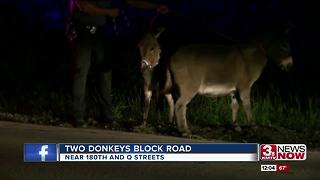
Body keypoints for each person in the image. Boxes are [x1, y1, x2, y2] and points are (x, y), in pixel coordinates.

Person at [67, 0, 169, 128]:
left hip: (100, 34)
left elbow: (132, 1)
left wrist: (156, 6)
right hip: (81, 33)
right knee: (81, 73)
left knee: (105, 73)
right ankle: (78, 117)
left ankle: (107, 117)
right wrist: (109, 12)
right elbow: (83, 6)